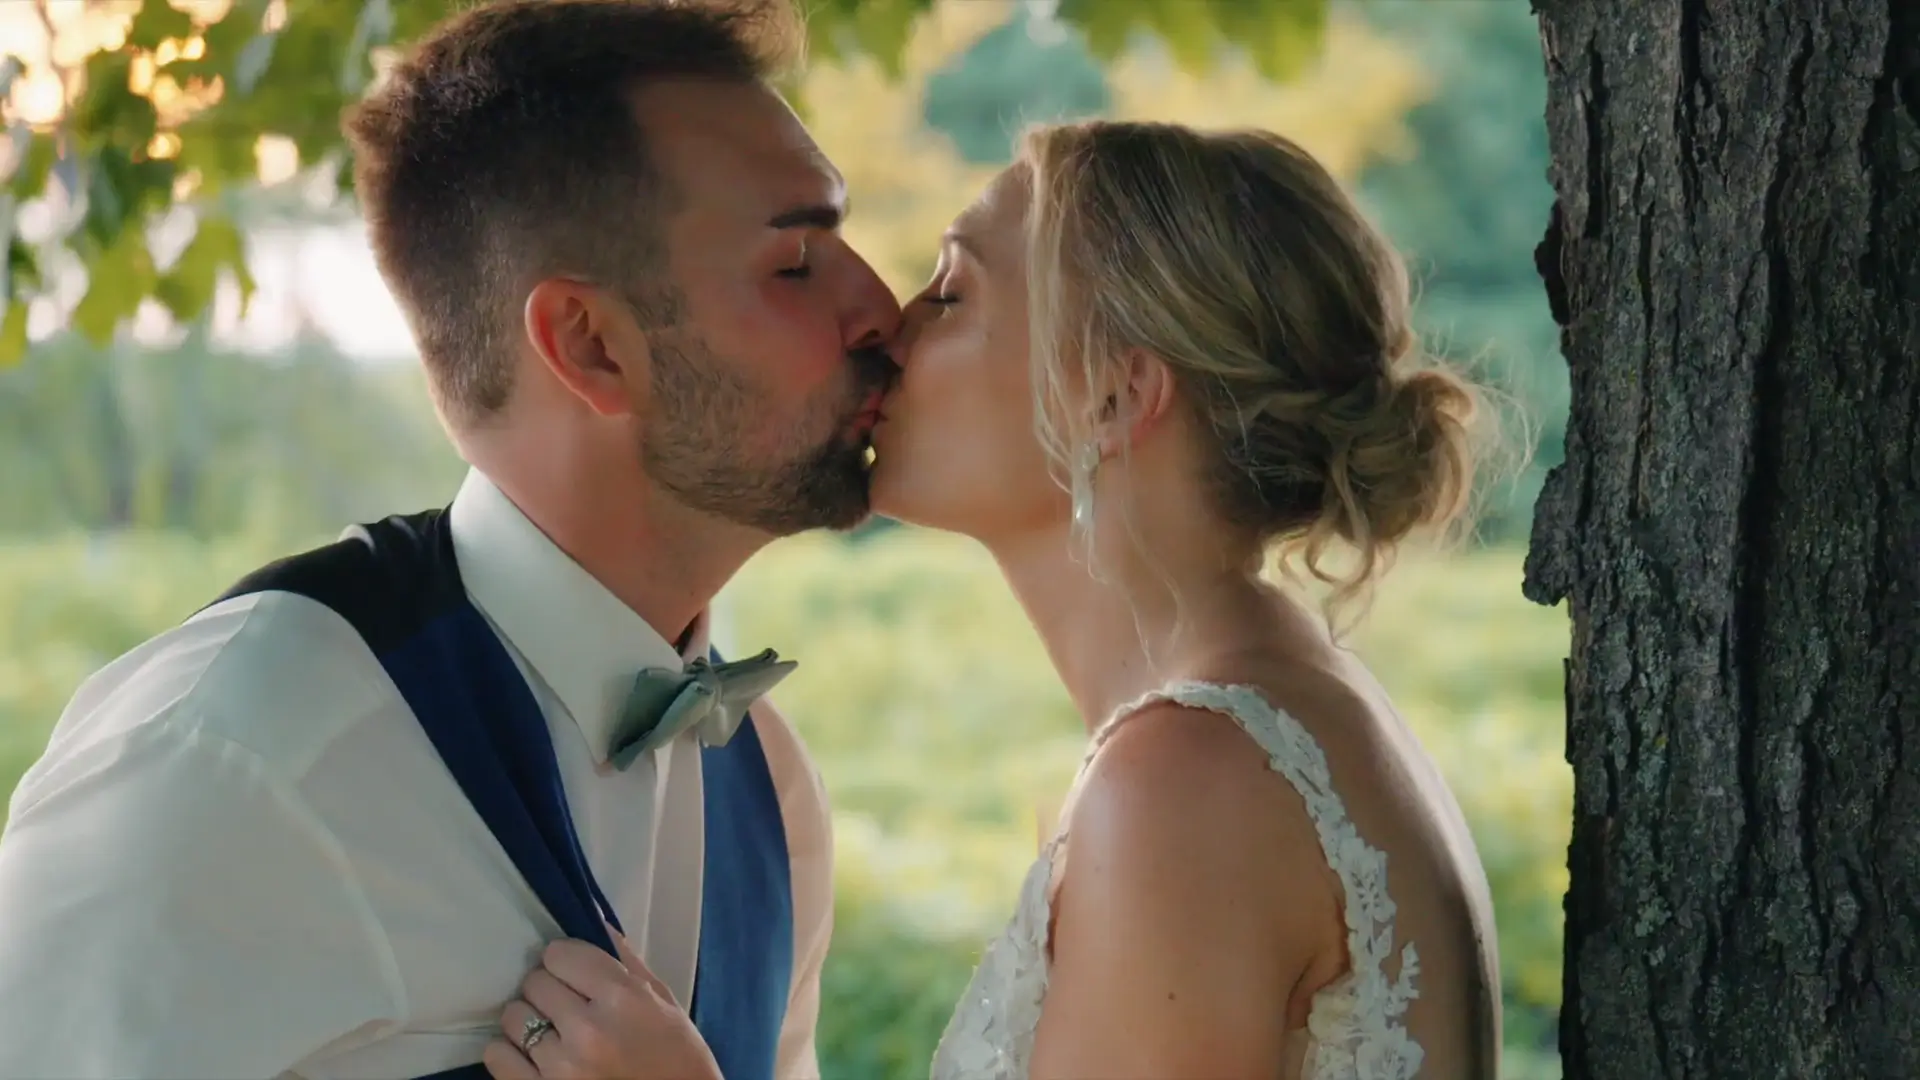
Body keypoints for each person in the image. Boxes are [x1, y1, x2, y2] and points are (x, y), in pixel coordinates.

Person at [491, 120, 1507, 1080]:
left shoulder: (1191, 778)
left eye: (951, 291)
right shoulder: (1285, 714)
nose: (889, 328)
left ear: (1111, 397)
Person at [0, 1, 898, 1077]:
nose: (880, 308)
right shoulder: (231, 765)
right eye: (797, 262)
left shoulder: (771, 794)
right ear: (590, 344)